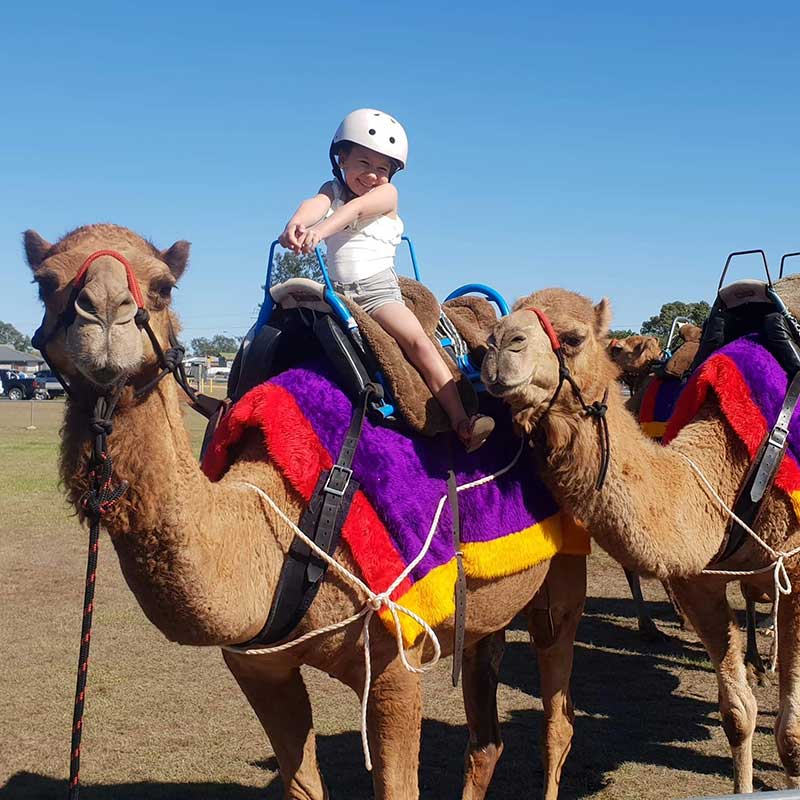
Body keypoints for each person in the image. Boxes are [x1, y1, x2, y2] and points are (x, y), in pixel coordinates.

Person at [279, 108, 494, 452]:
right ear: (341, 158)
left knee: (417, 342)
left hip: (378, 293)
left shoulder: (387, 195)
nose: (372, 175)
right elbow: (316, 203)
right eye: (363, 162)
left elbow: (354, 211)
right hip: (337, 296)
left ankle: (461, 421)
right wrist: (297, 224)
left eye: (382, 169)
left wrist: (319, 231)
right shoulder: (331, 189)